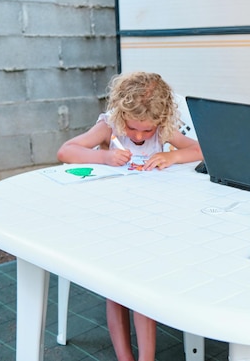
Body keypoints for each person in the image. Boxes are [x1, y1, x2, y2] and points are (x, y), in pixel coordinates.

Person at [57, 71, 203, 361]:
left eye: (147, 132)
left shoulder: (162, 128)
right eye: (133, 128)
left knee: (142, 290)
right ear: (122, 115)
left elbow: (201, 150)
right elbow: (66, 151)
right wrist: (104, 157)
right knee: (116, 291)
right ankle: (125, 357)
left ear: (160, 123)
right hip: (113, 219)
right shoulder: (111, 125)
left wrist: (171, 156)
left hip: (151, 219)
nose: (138, 136)